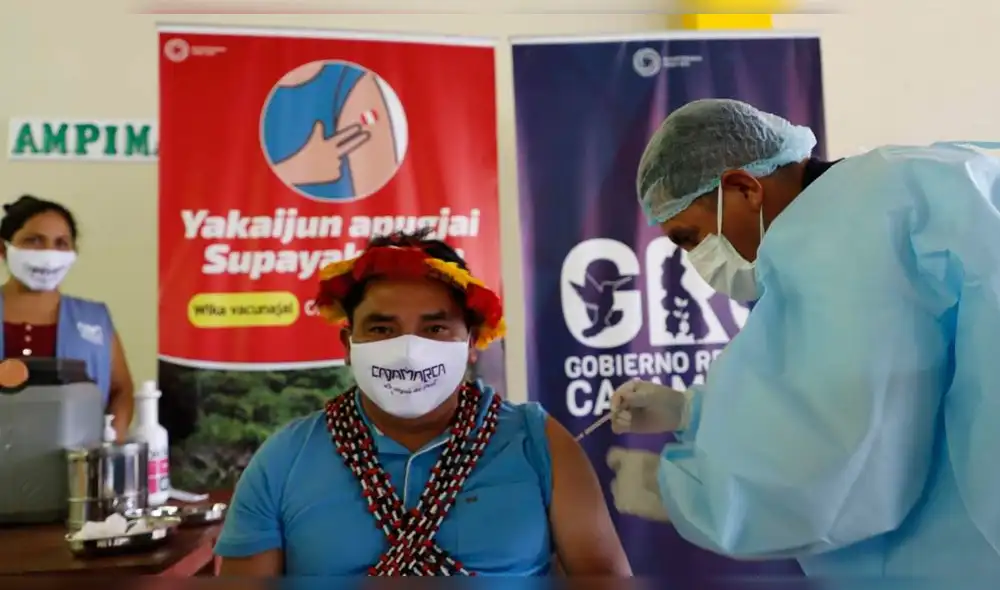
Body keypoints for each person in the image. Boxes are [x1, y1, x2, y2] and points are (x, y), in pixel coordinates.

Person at [610, 98, 1000, 576]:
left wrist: (680, 491)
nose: (697, 259)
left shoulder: (843, 239)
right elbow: (899, 390)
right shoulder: (900, 187)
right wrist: (694, 412)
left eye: (690, 237)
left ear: (742, 187)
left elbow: (842, 471)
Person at [215, 229, 631, 577]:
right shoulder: (284, 460)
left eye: (434, 328)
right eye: (381, 329)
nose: (409, 351)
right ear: (348, 344)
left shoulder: (539, 442)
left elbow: (605, 579)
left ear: (471, 343)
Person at [0, 195, 134, 438]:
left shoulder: (95, 319)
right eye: (34, 241)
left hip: (74, 463)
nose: (49, 253)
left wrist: (110, 443)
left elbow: (121, 390)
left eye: (61, 243)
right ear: (3, 248)